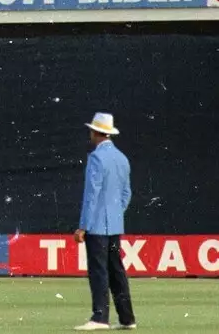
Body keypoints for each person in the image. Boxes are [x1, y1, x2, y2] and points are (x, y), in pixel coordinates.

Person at [75, 112, 135, 331]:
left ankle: (100, 317)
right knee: (116, 270)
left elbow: (91, 195)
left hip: (97, 225)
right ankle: (127, 318)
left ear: (96, 132)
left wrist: (83, 226)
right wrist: (116, 214)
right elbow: (126, 193)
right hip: (114, 225)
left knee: (98, 271)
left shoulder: (96, 158)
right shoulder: (122, 158)